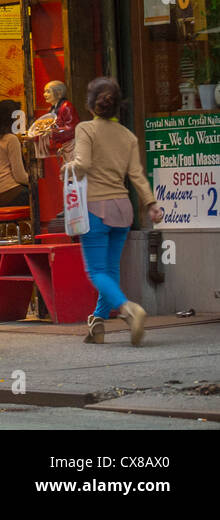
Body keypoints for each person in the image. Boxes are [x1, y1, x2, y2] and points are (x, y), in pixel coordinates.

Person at [71, 77, 163, 346]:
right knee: (110, 268)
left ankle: (128, 310)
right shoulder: (128, 136)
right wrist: (150, 203)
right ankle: (98, 323)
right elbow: (137, 175)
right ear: (116, 108)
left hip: (95, 208)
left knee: (96, 270)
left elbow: (83, 164)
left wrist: (68, 167)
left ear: (90, 105)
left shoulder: (85, 130)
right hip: (123, 209)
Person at [0, 99, 29, 207]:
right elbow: (20, 176)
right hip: (10, 193)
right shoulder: (11, 139)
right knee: (41, 196)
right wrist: (38, 183)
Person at [44, 81, 78, 160]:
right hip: (64, 145)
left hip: (71, 145)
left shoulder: (66, 106)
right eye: (45, 91)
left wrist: (52, 131)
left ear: (59, 93)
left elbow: (72, 128)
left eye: (48, 92)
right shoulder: (52, 109)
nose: (45, 94)